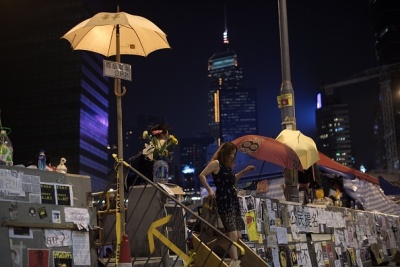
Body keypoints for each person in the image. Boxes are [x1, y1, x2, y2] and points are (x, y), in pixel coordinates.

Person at [199, 142, 255, 267]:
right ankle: (235, 262)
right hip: (224, 199)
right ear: (225, 152)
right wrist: (209, 190)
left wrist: (245, 171)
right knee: (233, 233)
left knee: (238, 234)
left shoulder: (227, 167)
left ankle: (213, 244)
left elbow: (233, 180)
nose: (232, 156)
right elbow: (202, 175)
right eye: (231, 153)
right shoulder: (216, 164)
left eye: (234, 154)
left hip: (233, 199)